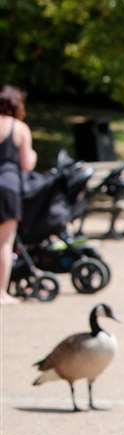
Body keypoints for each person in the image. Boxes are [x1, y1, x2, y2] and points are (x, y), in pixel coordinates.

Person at [0, 85, 38, 305]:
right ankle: (1, 293)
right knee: (4, 243)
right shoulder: (19, 128)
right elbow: (26, 164)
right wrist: (33, 154)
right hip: (8, 187)